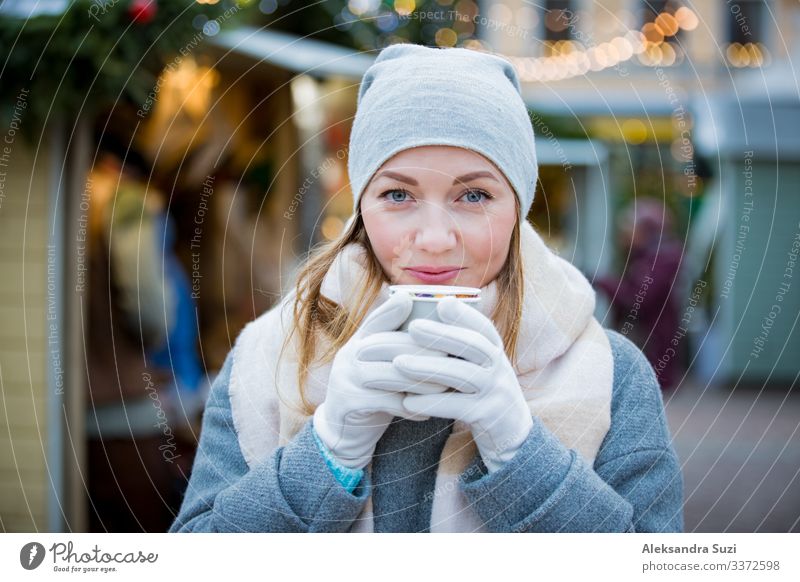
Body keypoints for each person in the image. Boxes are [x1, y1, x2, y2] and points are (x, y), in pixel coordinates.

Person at [169, 44, 684, 533]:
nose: (435, 240)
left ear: (518, 207)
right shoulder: (268, 357)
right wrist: (328, 449)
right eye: (397, 193)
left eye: (475, 195)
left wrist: (520, 452)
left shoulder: (610, 374)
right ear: (361, 207)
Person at [595, 199, 685, 391]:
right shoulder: (650, 255)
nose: (625, 236)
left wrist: (604, 282)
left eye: (630, 230)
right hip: (651, 344)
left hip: (655, 347)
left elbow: (637, 298)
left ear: (646, 231)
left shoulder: (662, 257)